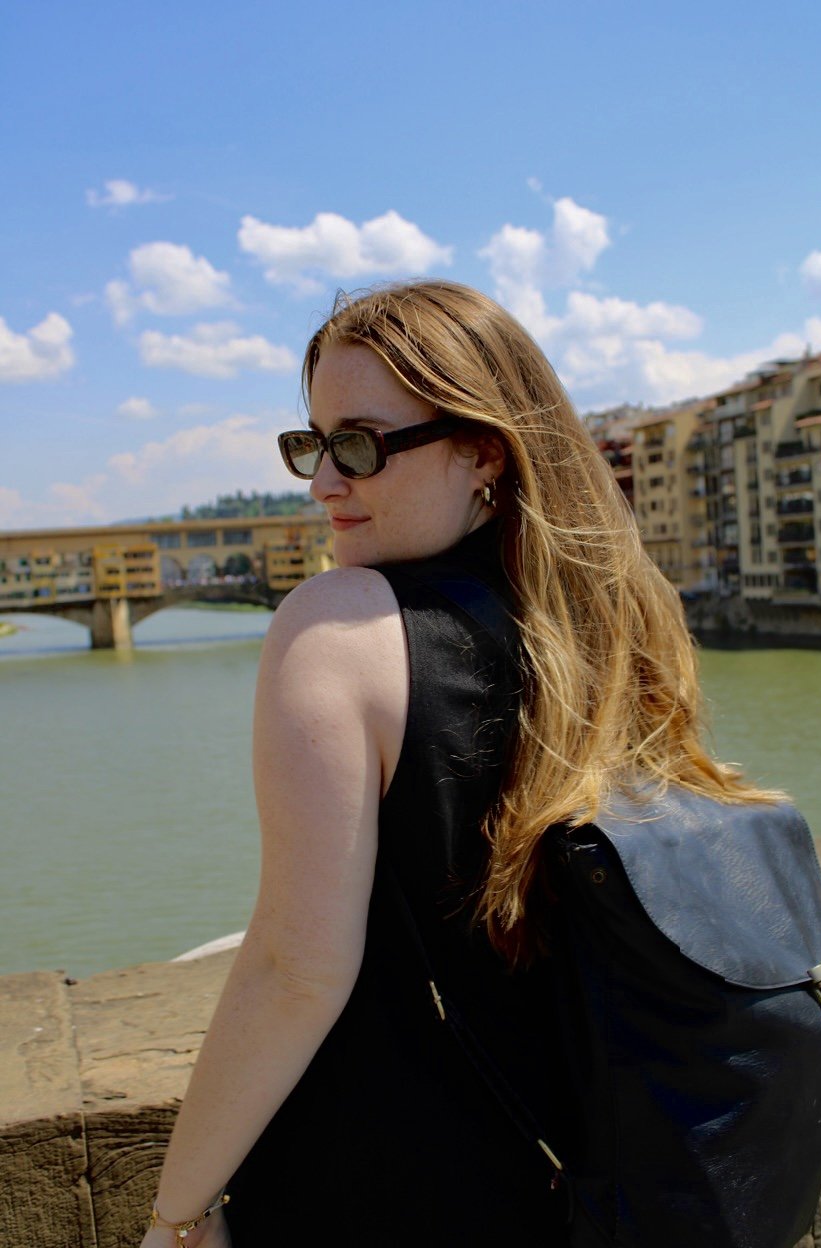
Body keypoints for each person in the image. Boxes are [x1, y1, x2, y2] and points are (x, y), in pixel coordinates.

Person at [139, 280, 781, 1248]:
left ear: (482, 450)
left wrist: (174, 1215)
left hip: (381, 1195)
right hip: (588, 1193)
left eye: (358, 445)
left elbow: (292, 969)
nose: (320, 483)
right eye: (309, 445)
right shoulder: (620, 629)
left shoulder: (336, 627)